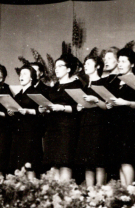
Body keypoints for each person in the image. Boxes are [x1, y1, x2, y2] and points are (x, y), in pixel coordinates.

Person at [40, 54, 83, 182]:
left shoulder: (76, 84)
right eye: (56, 66)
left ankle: (65, 193)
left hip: (67, 127)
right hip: (53, 127)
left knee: (65, 161)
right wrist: (44, 108)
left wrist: (62, 108)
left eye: (60, 66)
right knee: (53, 162)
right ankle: (54, 195)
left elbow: (80, 107)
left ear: (68, 69)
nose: (56, 69)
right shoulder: (55, 86)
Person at [75, 53, 108, 186]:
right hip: (85, 124)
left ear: (98, 66)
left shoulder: (104, 83)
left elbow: (108, 106)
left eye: (88, 64)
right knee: (87, 162)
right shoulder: (85, 86)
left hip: (99, 125)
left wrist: (96, 100)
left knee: (98, 161)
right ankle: (90, 193)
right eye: (85, 64)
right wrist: (79, 106)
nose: (85, 66)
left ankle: (100, 192)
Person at [8, 65, 44, 177]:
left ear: (31, 78)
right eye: (21, 74)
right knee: (19, 165)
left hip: (31, 133)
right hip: (19, 132)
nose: (21, 76)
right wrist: (11, 112)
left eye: (25, 74)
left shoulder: (35, 92)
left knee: (30, 164)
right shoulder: (18, 94)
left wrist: (29, 111)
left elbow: (42, 111)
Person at [106, 48, 135, 186]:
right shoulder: (116, 81)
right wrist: (110, 103)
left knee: (126, 160)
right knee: (119, 161)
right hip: (116, 124)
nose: (120, 64)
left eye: (124, 61)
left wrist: (127, 103)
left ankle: (130, 194)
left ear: (132, 64)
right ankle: (124, 193)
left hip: (130, 125)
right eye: (119, 61)